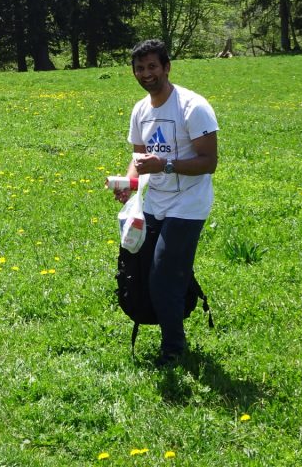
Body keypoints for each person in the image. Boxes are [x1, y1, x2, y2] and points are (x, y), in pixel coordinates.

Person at [115, 39, 218, 367]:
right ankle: (180, 284)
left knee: (161, 276)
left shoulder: (192, 106)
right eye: (140, 68)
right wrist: (130, 183)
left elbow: (209, 161)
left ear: (167, 67)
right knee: (148, 270)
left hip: (188, 205)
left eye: (152, 67)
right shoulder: (140, 110)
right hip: (154, 202)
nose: (146, 74)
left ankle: (173, 347)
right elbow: (139, 155)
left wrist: (167, 165)